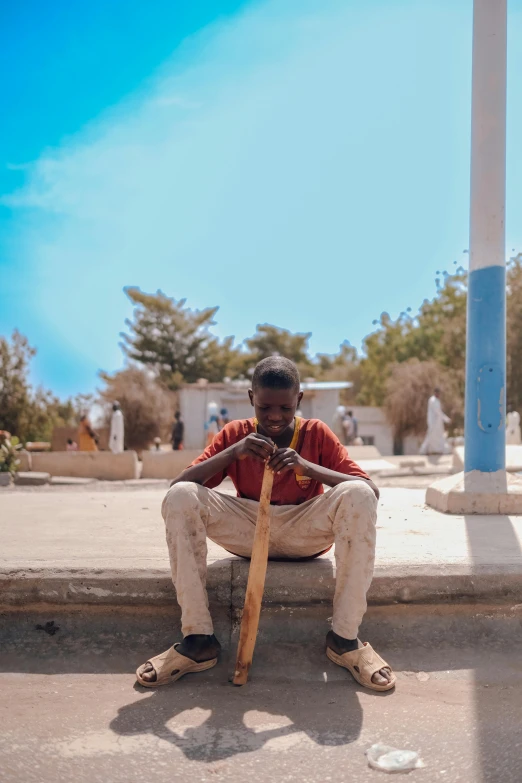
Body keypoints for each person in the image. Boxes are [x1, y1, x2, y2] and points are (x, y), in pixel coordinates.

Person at [136, 356, 395, 692]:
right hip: (247, 527)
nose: (274, 416)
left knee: (357, 494)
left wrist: (307, 467)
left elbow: (369, 491)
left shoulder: (316, 433)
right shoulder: (235, 434)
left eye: (285, 408)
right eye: (265, 407)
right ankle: (198, 639)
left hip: (304, 531)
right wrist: (234, 452)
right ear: (250, 398)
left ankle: (344, 640)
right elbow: (178, 486)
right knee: (181, 496)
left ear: (298, 400)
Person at [419, 388, 450, 455]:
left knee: (439, 436)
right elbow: (438, 412)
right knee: (430, 436)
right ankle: (423, 450)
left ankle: (443, 450)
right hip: (433, 422)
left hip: (437, 422)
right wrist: (446, 419)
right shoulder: (432, 400)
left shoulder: (437, 401)